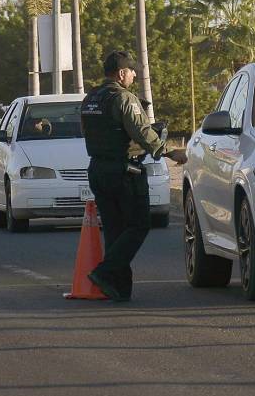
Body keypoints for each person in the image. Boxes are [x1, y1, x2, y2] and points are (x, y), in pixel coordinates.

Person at [80, 50, 188, 301]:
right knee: (139, 225)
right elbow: (141, 132)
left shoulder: (91, 98)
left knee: (116, 230)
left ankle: (119, 289)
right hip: (124, 171)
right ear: (121, 73)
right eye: (131, 71)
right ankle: (105, 273)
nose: (134, 75)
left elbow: (87, 132)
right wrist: (169, 151)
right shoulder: (124, 99)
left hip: (98, 169)